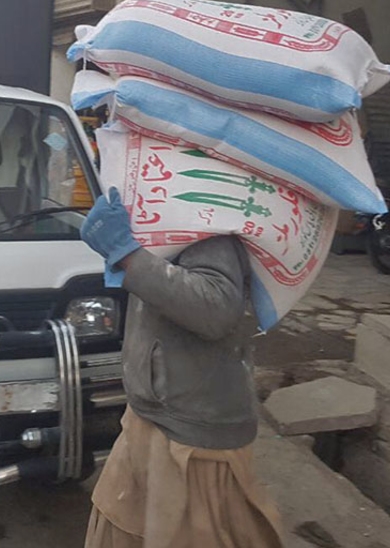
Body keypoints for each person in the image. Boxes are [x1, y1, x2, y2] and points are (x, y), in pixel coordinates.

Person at [80, 187, 283, 548]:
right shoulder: (166, 200)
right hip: (148, 415)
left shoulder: (209, 207)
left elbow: (216, 307)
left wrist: (127, 255)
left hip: (192, 438)